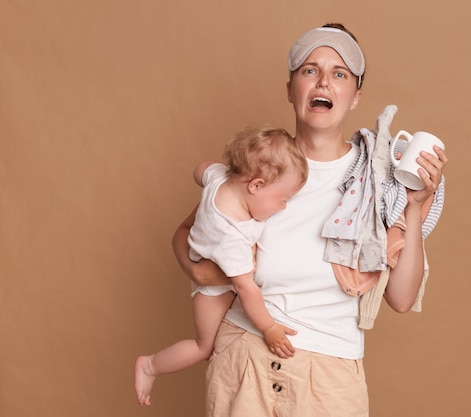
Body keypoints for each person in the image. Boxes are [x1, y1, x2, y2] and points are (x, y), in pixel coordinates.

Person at [171, 23, 448, 417]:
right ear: (291, 89)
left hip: (330, 378)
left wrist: (416, 207)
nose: (324, 82)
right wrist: (196, 272)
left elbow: (401, 300)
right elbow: (185, 235)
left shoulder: (381, 179)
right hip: (244, 363)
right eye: (309, 70)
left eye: (339, 74)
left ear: (355, 96)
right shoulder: (261, 165)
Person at [135, 126, 308, 406]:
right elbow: (246, 288)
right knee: (204, 346)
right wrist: (269, 328)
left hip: (208, 262)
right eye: (282, 200)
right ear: (256, 186)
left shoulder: (220, 178)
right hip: (212, 291)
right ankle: (150, 365)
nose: (283, 207)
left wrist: (214, 174)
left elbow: (201, 169)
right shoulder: (232, 236)